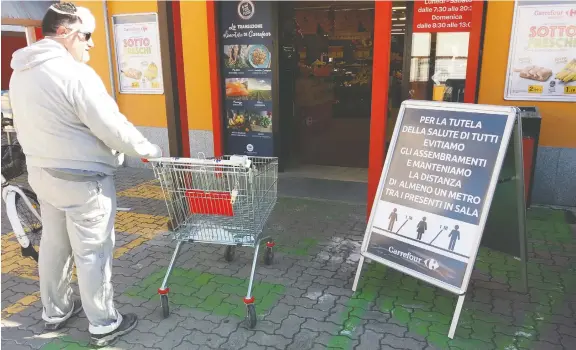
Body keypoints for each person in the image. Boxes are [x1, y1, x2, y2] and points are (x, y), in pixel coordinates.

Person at [9, 3, 162, 347]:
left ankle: (55, 310)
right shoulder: (73, 73)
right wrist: (147, 150)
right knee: (92, 252)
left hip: (42, 173)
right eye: (86, 36)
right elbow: (110, 125)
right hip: (83, 179)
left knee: (54, 244)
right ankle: (104, 323)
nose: (91, 44)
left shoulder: (21, 71)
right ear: (64, 33)